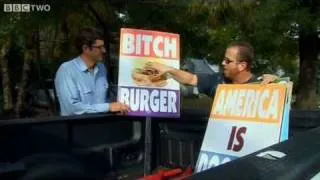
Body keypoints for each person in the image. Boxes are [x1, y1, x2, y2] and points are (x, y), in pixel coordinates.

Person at [146, 42, 278, 97]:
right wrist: (168, 69)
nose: (222, 63)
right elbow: (190, 79)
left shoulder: (261, 85)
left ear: (242, 66)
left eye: (228, 61)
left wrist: (276, 83)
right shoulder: (217, 80)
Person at [54, 27, 130, 116]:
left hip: (102, 126)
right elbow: (71, 109)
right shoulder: (66, 70)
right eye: (99, 47)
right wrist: (108, 107)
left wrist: (117, 108)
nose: (104, 50)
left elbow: (105, 101)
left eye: (103, 46)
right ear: (85, 48)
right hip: (77, 128)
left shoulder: (102, 68)